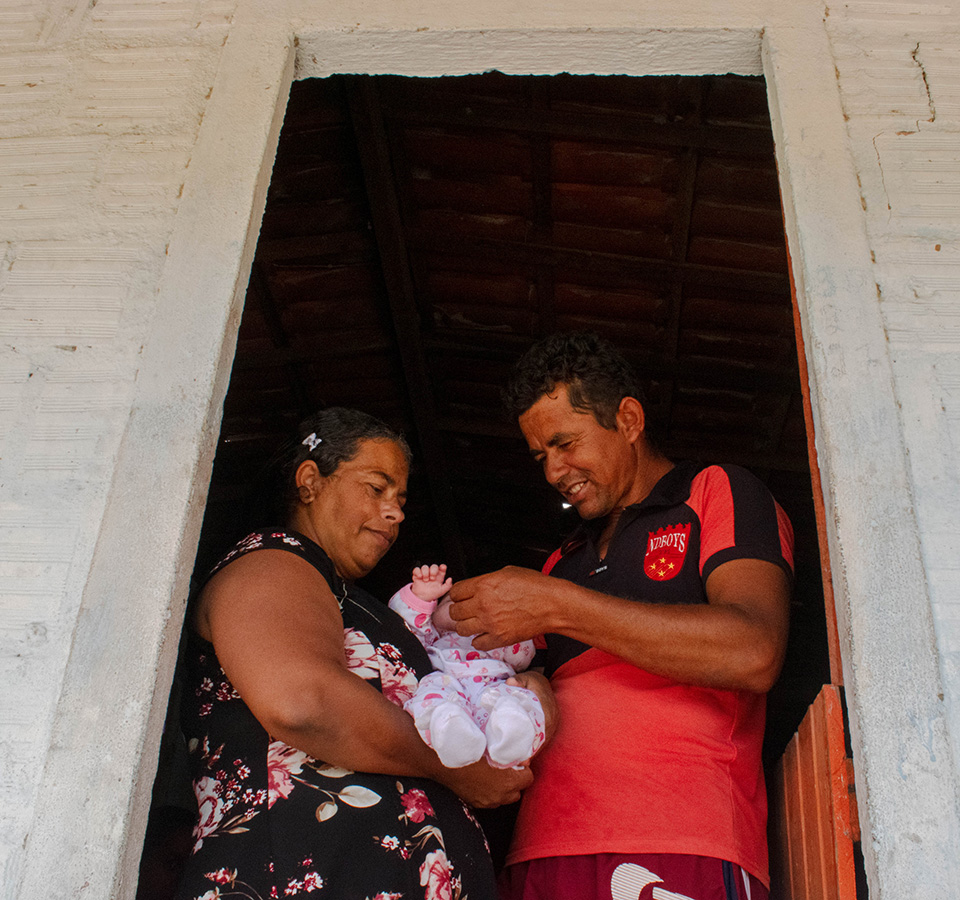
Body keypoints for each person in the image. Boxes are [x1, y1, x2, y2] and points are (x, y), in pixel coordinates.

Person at [448, 333, 794, 900]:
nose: (555, 472)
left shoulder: (714, 492)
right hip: (540, 852)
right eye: (541, 457)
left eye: (565, 443)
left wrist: (557, 605)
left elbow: (754, 650)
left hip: (680, 837)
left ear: (628, 419)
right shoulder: (562, 560)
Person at [173, 408, 555, 900]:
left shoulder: (351, 602)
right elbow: (302, 700)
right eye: (376, 488)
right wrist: (455, 768)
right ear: (310, 481)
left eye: (400, 499)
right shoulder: (272, 560)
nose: (395, 512)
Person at [389, 563, 546, 769]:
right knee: (432, 698)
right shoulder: (435, 635)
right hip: (445, 680)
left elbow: (522, 659)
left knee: (519, 699)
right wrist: (420, 598)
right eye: (461, 601)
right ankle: (451, 733)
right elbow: (404, 634)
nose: (479, 607)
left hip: (492, 686)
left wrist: (509, 630)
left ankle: (512, 736)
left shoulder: (505, 639)